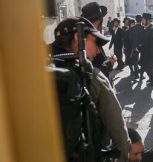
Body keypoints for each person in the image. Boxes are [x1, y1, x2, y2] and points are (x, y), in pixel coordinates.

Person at [50, 16, 131, 161]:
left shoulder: (37, 70)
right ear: (78, 37)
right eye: (96, 43)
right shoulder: (91, 75)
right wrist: (124, 155)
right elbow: (118, 130)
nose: (98, 51)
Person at [81, 2, 115, 80]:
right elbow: (94, 73)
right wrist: (109, 64)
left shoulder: (90, 36)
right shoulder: (88, 39)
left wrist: (107, 59)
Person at [139, 13, 153, 86]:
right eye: (142, 20)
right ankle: (152, 79)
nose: (142, 21)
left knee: (149, 68)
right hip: (144, 53)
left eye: (143, 20)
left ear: (148, 20)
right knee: (145, 67)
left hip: (151, 53)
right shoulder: (144, 29)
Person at [129, 15, 144, 79]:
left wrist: (134, 46)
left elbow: (130, 38)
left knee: (135, 61)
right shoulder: (143, 27)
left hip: (135, 47)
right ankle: (141, 75)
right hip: (143, 46)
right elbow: (145, 38)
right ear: (141, 20)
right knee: (143, 60)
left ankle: (136, 74)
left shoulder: (132, 28)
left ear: (136, 19)